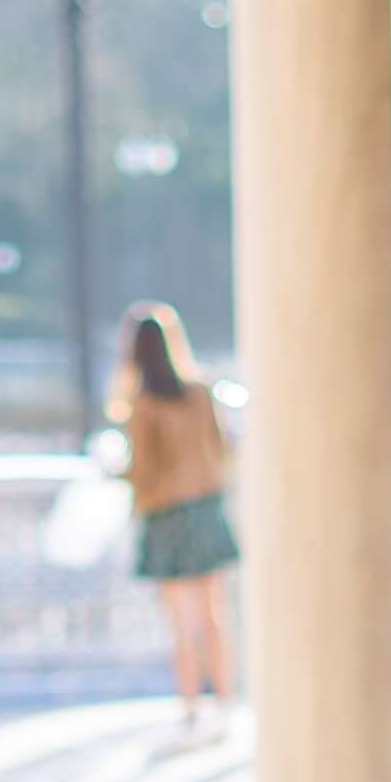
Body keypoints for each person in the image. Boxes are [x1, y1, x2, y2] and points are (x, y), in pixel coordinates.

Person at [114, 302, 238, 729]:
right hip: (205, 507)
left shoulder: (143, 403)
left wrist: (119, 474)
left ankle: (190, 706)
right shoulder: (200, 391)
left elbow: (143, 469)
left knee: (182, 623)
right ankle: (224, 700)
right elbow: (222, 449)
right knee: (213, 615)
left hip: (166, 514)